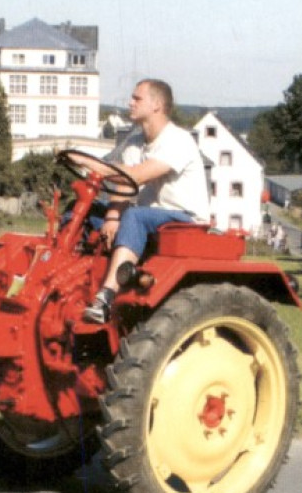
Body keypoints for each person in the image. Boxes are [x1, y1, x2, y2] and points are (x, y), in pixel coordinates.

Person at [82, 79, 211, 324]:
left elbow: (138, 175)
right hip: (151, 216)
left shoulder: (178, 140)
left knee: (134, 216)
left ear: (157, 105)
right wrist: (111, 216)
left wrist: (95, 165)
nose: (130, 103)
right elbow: (126, 185)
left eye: (136, 98)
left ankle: (106, 296)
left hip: (184, 218)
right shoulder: (134, 142)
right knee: (85, 213)